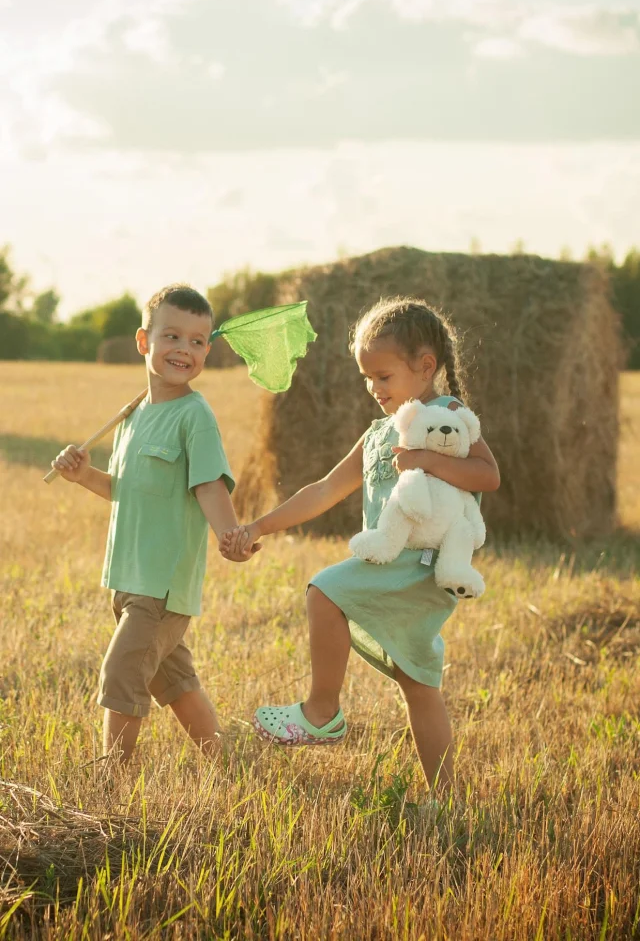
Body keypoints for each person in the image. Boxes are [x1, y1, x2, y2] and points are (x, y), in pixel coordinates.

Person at [221, 296, 500, 795]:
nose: (374, 388)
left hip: (421, 564)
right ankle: (448, 799)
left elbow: (487, 474)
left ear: (425, 366)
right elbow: (324, 490)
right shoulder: (377, 434)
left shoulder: (447, 415)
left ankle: (321, 712)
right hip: (398, 564)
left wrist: (423, 460)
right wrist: (260, 526)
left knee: (324, 591)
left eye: (384, 376)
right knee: (418, 686)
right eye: (367, 378)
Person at [51, 284, 258, 765]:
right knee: (173, 679)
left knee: (122, 671)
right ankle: (223, 760)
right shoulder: (131, 416)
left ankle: (112, 782)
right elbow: (124, 490)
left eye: (196, 341)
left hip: (161, 584)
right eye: (172, 337)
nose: (183, 350)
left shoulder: (195, 416)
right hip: (127, 577)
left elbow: (209, 486)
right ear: (144, 342)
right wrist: (84, 476)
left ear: (208, 349)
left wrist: (231, 535)